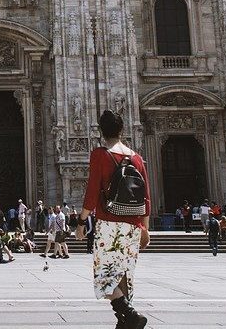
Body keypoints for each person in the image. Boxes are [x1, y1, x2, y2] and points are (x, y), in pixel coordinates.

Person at [78, 110, 151, 329]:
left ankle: (129, 314)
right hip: (134, 225)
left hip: (110, 224)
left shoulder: (101, 154)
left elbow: (92, 192)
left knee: (104, 277)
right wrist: (145, 229)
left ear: (101, 131)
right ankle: (125, 322)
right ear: (122, 130)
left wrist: (81, 222)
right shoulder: (136, 158)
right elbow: (146, 195)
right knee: (124, 277)